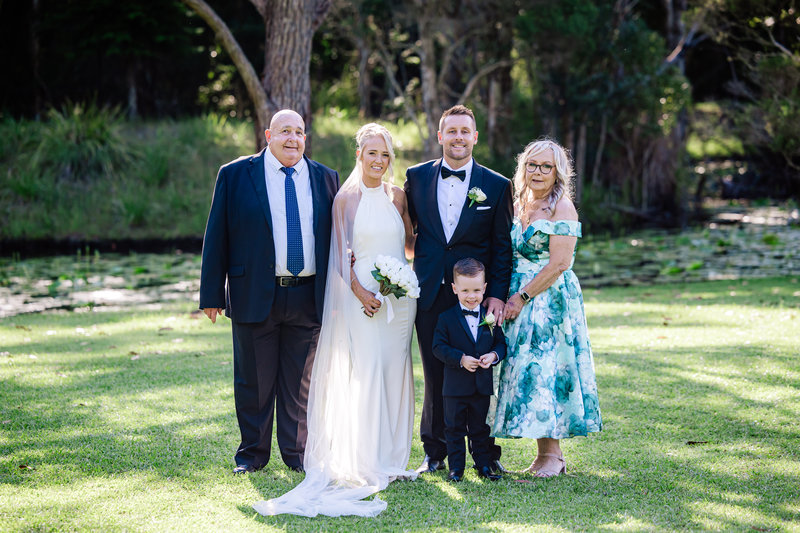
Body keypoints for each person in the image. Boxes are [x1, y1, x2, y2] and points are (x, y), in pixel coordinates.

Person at [253, 123, 418, 517]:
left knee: (396, 372)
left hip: (399, 302)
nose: (379, 160)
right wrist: (362, 292)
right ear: (359, 154)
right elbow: (338, 255)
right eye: (372, 153)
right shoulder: (345, 199)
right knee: (368, 371)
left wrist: (404, 278)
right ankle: (367, 459)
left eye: (385, 154)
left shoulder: (397, 197)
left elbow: (410, 244)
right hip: (363, 299)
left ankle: (393, 457)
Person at [199, 109, 339, 474]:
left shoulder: (326, 177)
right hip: (254, 292)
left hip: (308, 294)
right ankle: (252, 455)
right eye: (284, 131)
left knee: (299, 384)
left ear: (305, 138)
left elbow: (337, 239)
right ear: (268, 136)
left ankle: (297, 455)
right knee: (254, 382)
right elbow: (217, 234)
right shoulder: (235, 174)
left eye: (299, 132)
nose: (292, 138)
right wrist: (211, 294)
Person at [404, 105, 513, 475]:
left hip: (476, 296)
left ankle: (485, 454)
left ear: (475, 137)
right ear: (440, 136)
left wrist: (496, 295)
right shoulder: (416, 177)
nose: (458, 137)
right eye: (451, 131)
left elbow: (501, 247)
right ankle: (435, 453)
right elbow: (406, 229)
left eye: (465, 131)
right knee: (436, 373)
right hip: (431, 291)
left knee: (481, 374)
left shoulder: (496, 185)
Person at [491, 139, 602, 477]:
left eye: (546, 166)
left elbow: (560, 263)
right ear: (523, 168)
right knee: (529, 370)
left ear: (558, 172)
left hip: (548, 299)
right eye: (532, 165)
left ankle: (554, 455)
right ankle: (543, 454)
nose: (538, 172)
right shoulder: (518, 203)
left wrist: (522, 297)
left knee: (548, 368)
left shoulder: (562, 207)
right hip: (516, 297)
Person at [433, 258, 506, 483]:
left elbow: (501, 344)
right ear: (454, 289)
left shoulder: (489, 318)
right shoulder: (446, 318)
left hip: (481, 386)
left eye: (476, 290)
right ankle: (456, 469)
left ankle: (483, 465)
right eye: (465, 290)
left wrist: (493, 356)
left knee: (479, 428)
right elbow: (438, 347)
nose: (471, 296)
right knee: (454, 429)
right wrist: (461, 359)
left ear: (484, 288)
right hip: (454, 387)